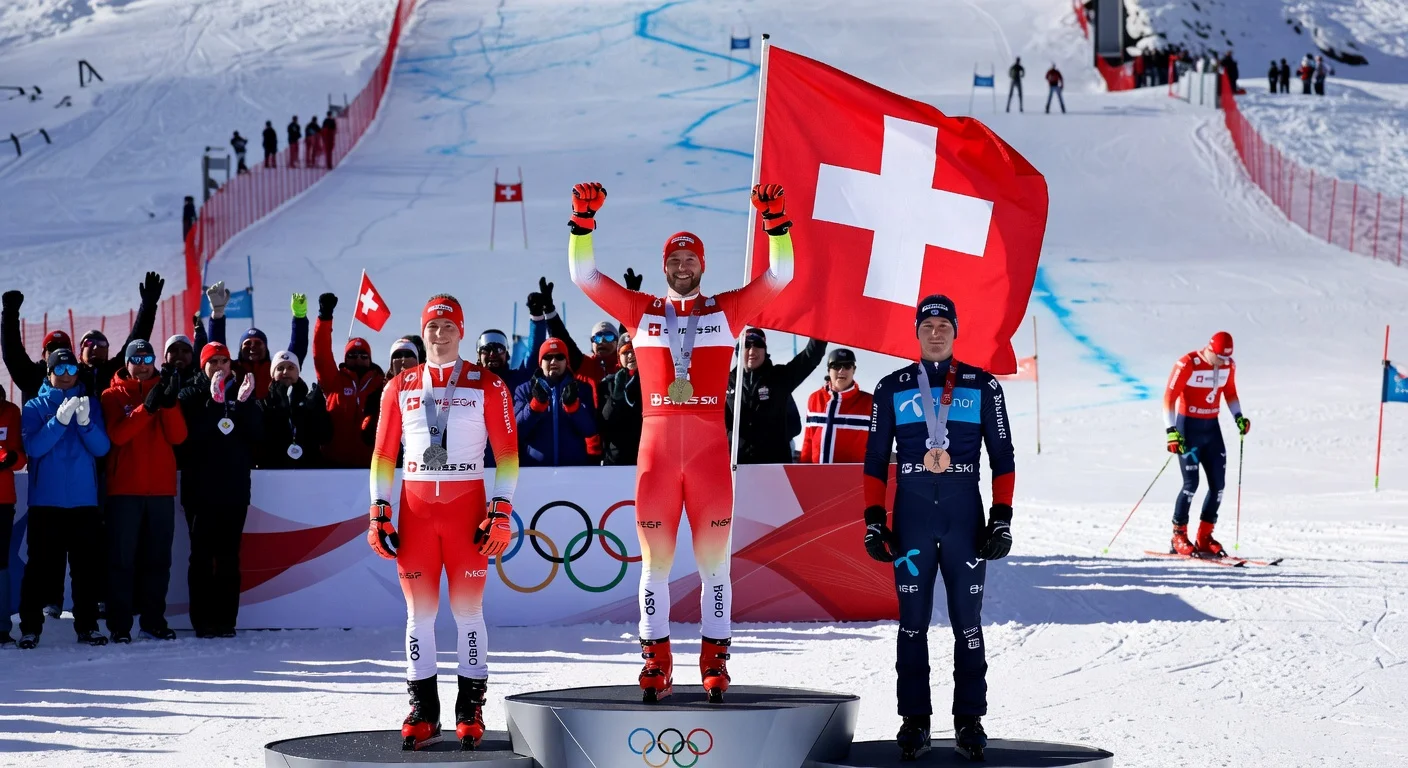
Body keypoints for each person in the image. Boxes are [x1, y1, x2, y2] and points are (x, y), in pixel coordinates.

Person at [568, 181, 795, 702]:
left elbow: (781, 274)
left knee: (716, 566)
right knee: (655, 568)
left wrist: (775, 222)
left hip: (711, 456)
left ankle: (715, 660)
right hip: (657, 458)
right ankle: (656, 660)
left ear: (704, 265)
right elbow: (584, 275)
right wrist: (583, 222)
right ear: (664, 265)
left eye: (692, 258)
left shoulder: (727, 311)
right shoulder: (642, 311)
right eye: (676, 258)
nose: (684, 265)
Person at [861, 295, 1015, 761]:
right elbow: (873, 462)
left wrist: (1002, 519)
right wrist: (873, 522)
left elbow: (1003, 459)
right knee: (912, 625)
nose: (935, 332)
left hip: (963, 518)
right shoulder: (891, 387)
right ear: (916, 331)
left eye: (943, 324)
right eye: (927, 324)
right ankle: (915, 720)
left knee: (968, 625)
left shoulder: (984, 386)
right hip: (911, 521)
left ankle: (970, 720)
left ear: (955, 330)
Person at [368, 295, 518, 751]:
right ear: (423, 331)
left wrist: (501, 511)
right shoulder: (399, 386)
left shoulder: (488, 384)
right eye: (432, 327)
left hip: (466, 513)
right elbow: (382, 455)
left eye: (448, 326)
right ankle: (423, 710)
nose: (439, 334)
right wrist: (379, 510)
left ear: (461, 330)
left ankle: (469, 708)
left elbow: (508, 456)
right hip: (416, 515)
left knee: (468, 612)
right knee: (421, 615)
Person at [18, 349, 112, 649]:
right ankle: (30, 628)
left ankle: (87, 627)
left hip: (84, 502)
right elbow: (33, 447)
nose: (68, 372)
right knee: (38, 568)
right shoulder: (34, 406)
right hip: (47, 502)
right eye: (60, 367)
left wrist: (85, 423)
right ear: (50, 372)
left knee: (86, 569)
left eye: (72, 366)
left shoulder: (91, 404)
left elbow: (101, 448)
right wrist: (58, 421)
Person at [99, 340, 185, 643]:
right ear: (127, 362)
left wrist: (170, 404)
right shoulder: (111, 395)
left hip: (160, 491)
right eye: (136, 358)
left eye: (147, 357)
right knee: (122, 561)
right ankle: (119, 626)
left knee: (158, 560)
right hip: (125, 491)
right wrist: (147, 407)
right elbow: (118, 435)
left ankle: (153, 622)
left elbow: (178, 436)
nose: (143, 363)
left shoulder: (165, 389)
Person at [178, 342, 262, 638]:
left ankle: (226, 621)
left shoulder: (243, 391)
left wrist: (245, 405)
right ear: (203, 365)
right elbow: (188, 438)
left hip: (234, 489)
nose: (219, 366)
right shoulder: (189, 393)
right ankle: (202, 622)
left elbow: (256, 434)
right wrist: (214, 404)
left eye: (224, 361)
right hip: (200, 491)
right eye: (212, 361)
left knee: (228, 557)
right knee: (200, 556)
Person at [3, 273, 164, 404]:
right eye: (52, 348)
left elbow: (134, 347)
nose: (59, 352)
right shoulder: (34, 376)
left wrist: (148, 307)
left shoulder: (94, 375)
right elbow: (13, 354)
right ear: (43, 353)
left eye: (64, 347)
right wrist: (10, 314)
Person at [1162, 331, 1249, 557]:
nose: (1222, 363)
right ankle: (1178, 536)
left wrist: (1239, 417)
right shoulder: (1187, 364)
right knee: (1191, 484)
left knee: (1218, 486)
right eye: (1219, 357)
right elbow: (1169, 399)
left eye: (1226, 358)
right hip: (1188, 429)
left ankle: (1204, 537)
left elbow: (1230, 392)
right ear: (1210, 349)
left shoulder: (1228, 366)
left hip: (1211, 429)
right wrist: (1171, 431)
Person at [725, 329, 826, 464]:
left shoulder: (779, 377)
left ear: (765, 351)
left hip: (774, 465)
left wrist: (821, 325)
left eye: (758, 345)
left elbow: (810, 356)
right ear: (738, 351)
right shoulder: (725, 383)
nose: (752, 350)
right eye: (747, 345)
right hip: (736, 465)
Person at [313, 293, 385, 468]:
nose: (358, 359)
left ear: (370, 359)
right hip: (333, 466)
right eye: (352, 355)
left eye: (363, 355)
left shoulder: (382, 384)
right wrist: (325, 317)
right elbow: (321, 354)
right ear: (345, 359)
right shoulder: (334, 380)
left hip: (371, 468)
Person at [205, 283, 309, 400]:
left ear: (266, 348)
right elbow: (216, 350)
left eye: (258, 343)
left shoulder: (275, 370)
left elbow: (295, 353)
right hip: (235, 416)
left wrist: (300, 318)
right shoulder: (232, 368)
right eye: (247, 343)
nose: (252, 347)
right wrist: (217, 315)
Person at [513, 338, 602, 467]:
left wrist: (574, 407)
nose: (554, 361)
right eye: (548, 357)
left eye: (559, 357)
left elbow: (590, 430)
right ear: (540, 362)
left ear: (567, 361)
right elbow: (516, 431)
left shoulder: (581, 388)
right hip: (534, 472)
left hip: (573, 470)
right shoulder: (524, 390)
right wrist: (534, 407)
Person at [524, 276, 617, 386]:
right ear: (592, 343)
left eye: (609, 336)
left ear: (617, 342)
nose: (602, 341)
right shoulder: (584, 365)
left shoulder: (625, 366)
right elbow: (563, 339)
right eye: (597, 338)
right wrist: (549, 309)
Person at [259, 350, 331, 468]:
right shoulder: (264, 404)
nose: (285, 372)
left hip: (308, 472)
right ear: (272, 374)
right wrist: (280, 410)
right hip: (273, 473)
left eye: (291, 367)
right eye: (280, 368)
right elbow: (260, 437)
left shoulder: (310, 402)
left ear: (298, 372)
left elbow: (325, 437)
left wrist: (319, 410)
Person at [800, 348, 873, 464]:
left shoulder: (869, 402)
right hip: (816, 475)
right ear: (829, 370)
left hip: (853, 477)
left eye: (847, 366)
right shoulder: (815, 399)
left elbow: (878, 444)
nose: (841, 371)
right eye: (836, 366)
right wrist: (802, 471)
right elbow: (808, 440)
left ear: (854, 370)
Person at [361, 336, 425, 451]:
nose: (403, 359)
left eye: (408, 355)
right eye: (398, 356)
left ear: (418, 362)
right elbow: (368, 436)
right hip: (391, 461)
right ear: (390, 365)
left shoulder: (431, 390)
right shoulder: (378, 395)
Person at [0, 387, 27, 646]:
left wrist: (9, 457)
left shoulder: (10, 411)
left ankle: (1, 628)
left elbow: (20, 457)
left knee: (1, 563)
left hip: (2, 499)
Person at [599, 338, 642, 465]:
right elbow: (603, 422)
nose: (630, 355)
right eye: (625, 352)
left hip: (645, 454)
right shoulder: (607, 384)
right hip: (616, 459)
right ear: (619, 357)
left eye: (634, 350)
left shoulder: (652, 381)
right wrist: (615, 399)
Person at [475, 328, 535, 394]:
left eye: (499, 350)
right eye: (486, 350)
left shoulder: (517, 380)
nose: (492, 354)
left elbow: (533, 353)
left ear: (506, 355)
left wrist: (536, 320)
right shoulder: (470, 382)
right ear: (479, 356)